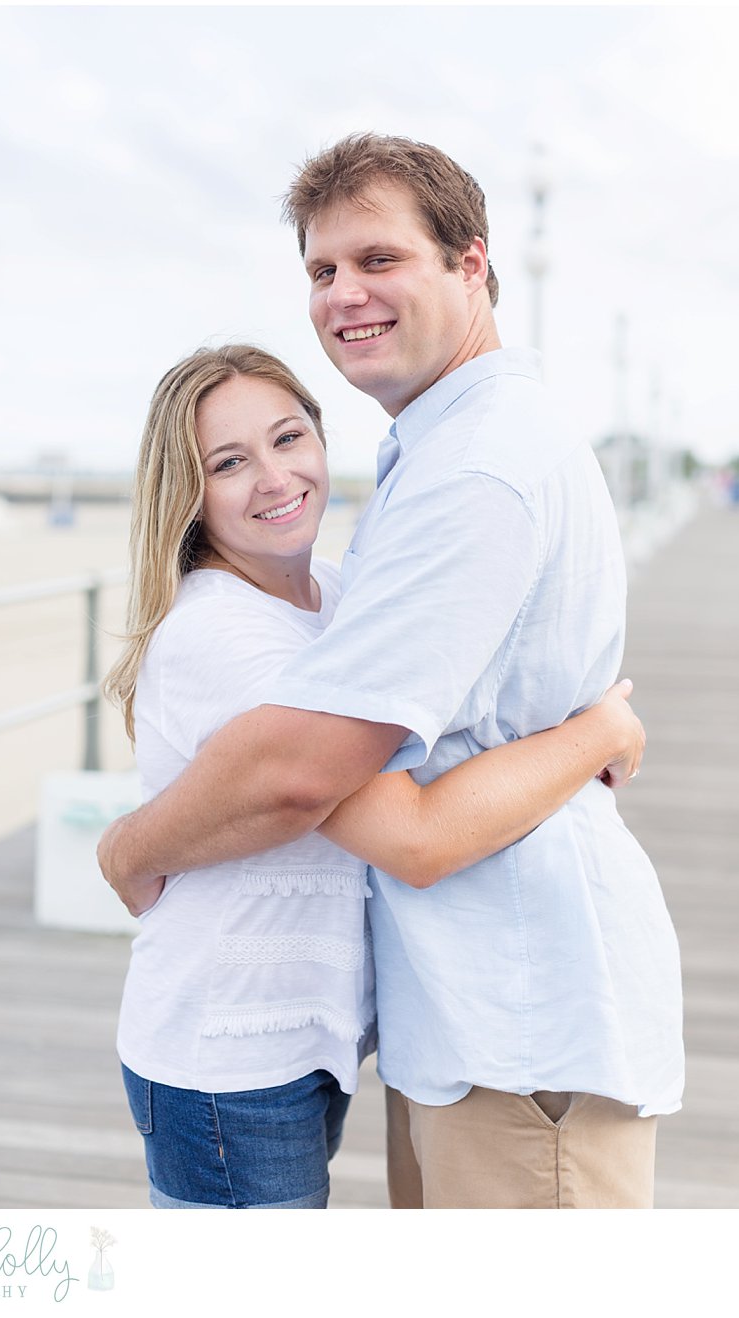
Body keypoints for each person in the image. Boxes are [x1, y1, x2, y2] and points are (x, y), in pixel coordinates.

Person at [98, 134, 684, 1209]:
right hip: (458, 1012)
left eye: (377, 260)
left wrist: (129, 847)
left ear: (471, 263)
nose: (343, 295)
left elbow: (325, 788)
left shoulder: (475, 468)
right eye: (321, 271)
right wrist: (593, 732)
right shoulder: (443, 448)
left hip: (518, 1006)